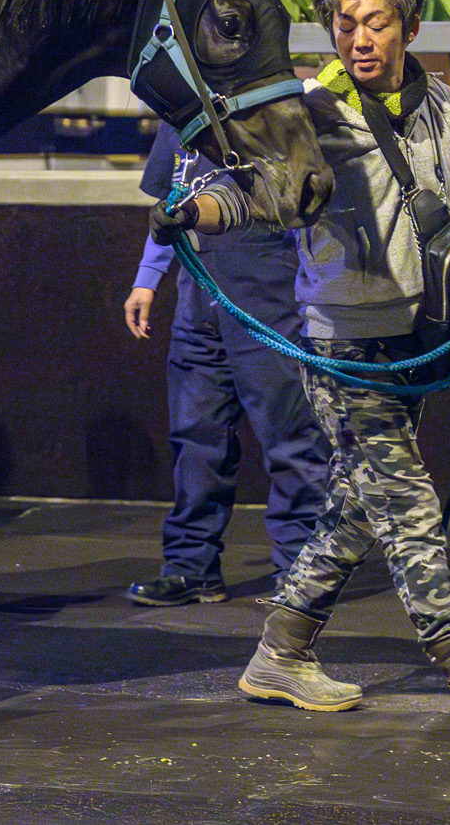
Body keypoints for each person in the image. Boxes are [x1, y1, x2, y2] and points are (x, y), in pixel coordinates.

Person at [159, 0, 450, 735]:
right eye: (345, 23)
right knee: (409, 506)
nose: (358, 37)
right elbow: (256, 191)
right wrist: (196, 213)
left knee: (356, 506)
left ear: (409, 27)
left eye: (376, 22)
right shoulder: (313, 110)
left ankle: (279, 652)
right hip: (343, 352)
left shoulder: (442, 106)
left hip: (414, 344)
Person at [122, 122, 328, 606]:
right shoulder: (179, 121)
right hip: (198, 297)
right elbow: (169, 206)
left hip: (267, 295)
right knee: (196, 438)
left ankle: (300, 570)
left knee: (290, 437)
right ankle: (191, 567)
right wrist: (147, 279)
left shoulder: (271, 115)